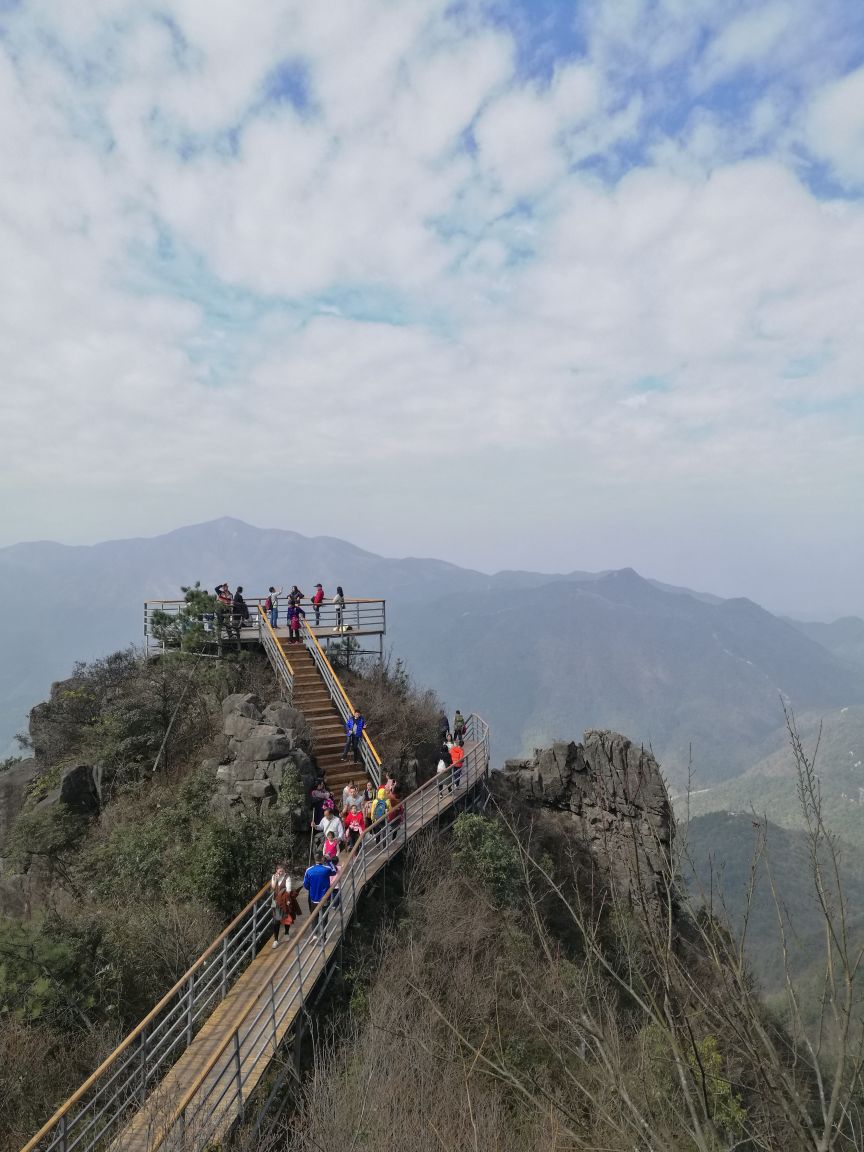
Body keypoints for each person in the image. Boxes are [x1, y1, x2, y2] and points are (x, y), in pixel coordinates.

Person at [303, 851, 337, 940]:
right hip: (325, 898)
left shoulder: (309, 870)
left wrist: (313, 889)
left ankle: (314, 934)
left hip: (313, 898)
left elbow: (305, 885)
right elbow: (334, 871)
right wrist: (329, 861)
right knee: (324, 918)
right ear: (322, 858)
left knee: (314, 916)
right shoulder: (326, 869)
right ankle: (323, 937)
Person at [270, 863, 300, 948]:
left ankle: (286, 933)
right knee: (276, 921)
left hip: (285, 900)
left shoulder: (287, 877)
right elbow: (272, 887)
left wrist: (286, 900)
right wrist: (275, 879)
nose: (281, 872)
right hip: (275, 901)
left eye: (282, 871)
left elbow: (289, 890)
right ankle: (276, 940)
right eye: (280, 871)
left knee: (286, 917)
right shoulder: (274, 876)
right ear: (277, 870)